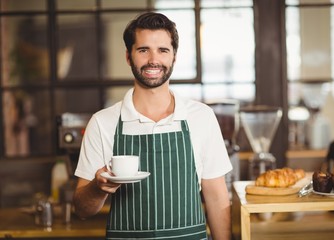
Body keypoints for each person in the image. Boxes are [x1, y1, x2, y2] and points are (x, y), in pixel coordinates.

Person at [73, 12, 233, 240]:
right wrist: (98, 189)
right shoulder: (103, 122)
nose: (153, 60)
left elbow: (217, 198)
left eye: (163, 50)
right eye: (143, 50)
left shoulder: (201, 117)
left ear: (174, 57)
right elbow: (82, 209)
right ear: (128, 57)